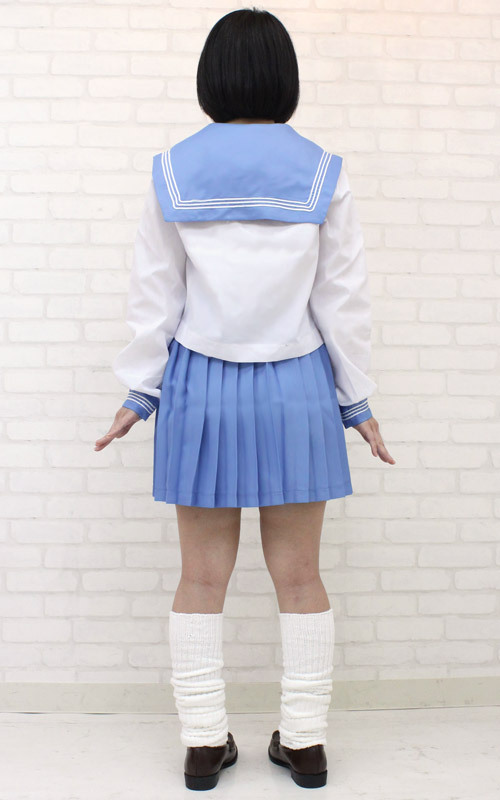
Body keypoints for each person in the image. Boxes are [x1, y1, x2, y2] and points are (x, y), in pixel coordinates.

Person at [95, 6, 395, 792]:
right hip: (298, 388)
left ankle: (203, 745)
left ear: (212, 77)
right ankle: (306, 743)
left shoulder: (172, 170)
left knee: (201, 577)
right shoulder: (324, 171)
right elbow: (343, 301)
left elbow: (155, 295)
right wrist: (358, 402)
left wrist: (140, 391)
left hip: (200, 388)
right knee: (300, 576)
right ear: (284, 78)